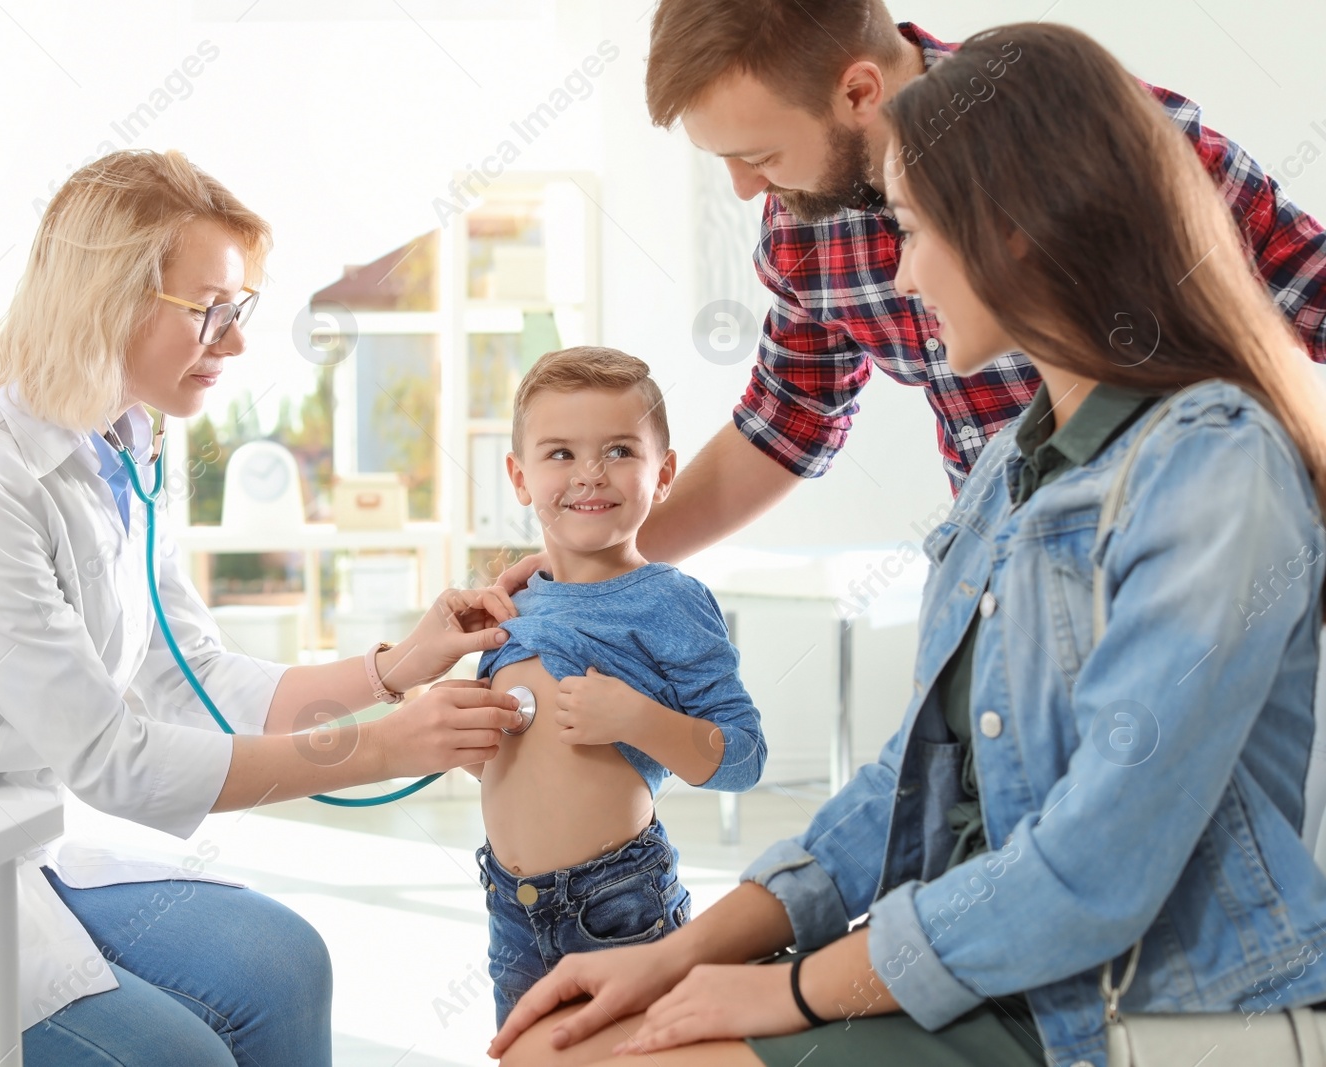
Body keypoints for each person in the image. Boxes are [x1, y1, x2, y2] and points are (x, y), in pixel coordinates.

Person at [487, 22, 1326, 1067]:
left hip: (1119, 1000)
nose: (904, 275)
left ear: (1015, 231)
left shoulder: (1208, 464)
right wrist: (682, 954)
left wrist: (785, 987)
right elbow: (911, 777)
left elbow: (1088, 870)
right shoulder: (1002, 474)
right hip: (995, 949)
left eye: (917, 233)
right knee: (554, 1044)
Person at [0, 148, 525, 1067]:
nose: (233, 342)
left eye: (239, 311)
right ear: (109, 298)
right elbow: (115, 761)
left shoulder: (121, 448)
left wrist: (395, 668)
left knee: (284, 962)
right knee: (171, 1055)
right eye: (213, 312)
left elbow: (189, 676)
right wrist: (386, 747)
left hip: (5, 839)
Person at [495, 0, 1326, 595]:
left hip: (1179, 571)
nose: (748, 190)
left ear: (859, 93)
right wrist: (590, 566)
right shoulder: (803, 223)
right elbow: (789, 420)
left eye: (758, 152)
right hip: (1002, 581)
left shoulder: (1112, 141)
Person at [468, 346, 767, 1027]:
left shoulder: (670, 601)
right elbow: (511, 766)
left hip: (617, 905)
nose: (590, 474)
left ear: (663, 474)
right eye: (561, 454)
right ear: (519, 477)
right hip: (508, 903)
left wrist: (636, 717)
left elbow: (744, 756)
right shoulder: (514, 601)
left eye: (620, 451)